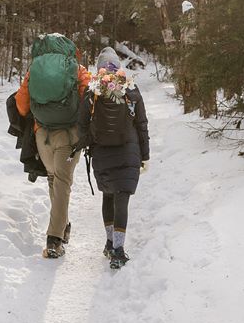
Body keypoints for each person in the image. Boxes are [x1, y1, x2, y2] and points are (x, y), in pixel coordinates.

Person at [14, 33, 91, 258]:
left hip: (43, 134)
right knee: (63, 181)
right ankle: (54, 239)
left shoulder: (34, 70)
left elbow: (21, 105)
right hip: (69, 135)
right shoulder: (77, 69)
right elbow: (90, 97)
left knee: (53, 178)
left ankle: (62, 225)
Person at [79, 45, 150, 269]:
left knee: (108, 196)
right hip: (128, 152)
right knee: (122, 199)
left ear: (99, 69)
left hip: (101, 152)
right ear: (118, 68)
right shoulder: (131, 89)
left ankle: (109, 243)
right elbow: (141, 125)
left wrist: (88, 145)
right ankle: (118, 250)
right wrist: (144, 155)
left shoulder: (92, 92)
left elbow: (81, 125)